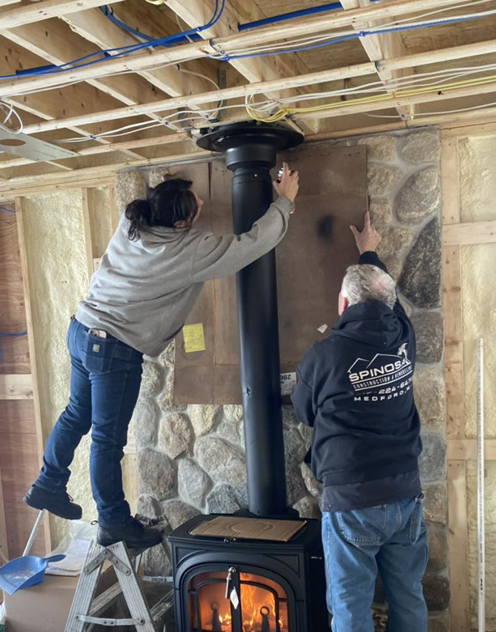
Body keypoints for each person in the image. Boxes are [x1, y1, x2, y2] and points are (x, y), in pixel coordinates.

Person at [25, 164, 300, 550]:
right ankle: (113, 522)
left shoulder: (132, 221)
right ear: (183, 222)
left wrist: (167, 185)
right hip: (113, 348)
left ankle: (48, 483)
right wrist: (284, 202)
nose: (203, 201)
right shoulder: (190, 250)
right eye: (195, 202)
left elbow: (159, 202)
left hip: (81, 330)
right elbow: (250, 246)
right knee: (107, 440)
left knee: (75, 414)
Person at [291, 211, 430, 632]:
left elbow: (304, 412)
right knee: (407, 596)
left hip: (351, 501)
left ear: (343, 305)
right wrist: (369, 252)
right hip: (405, 494)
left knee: (349, 603)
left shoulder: (323, 355)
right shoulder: (403, 336)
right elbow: (380, 298)